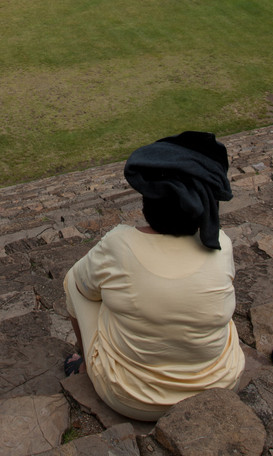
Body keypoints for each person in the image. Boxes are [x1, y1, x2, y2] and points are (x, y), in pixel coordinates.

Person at [63, 131, 245, 421]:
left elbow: (83, 287)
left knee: (76, 281)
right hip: (220, 386)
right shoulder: (221, 245)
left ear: (148, 204)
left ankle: (85, 361)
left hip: (132, 397)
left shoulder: (120, 245)